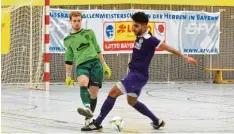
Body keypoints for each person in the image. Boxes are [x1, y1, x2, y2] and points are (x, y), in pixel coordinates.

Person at [81, 12, 198, 131]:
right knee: (132, 101)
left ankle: (97, 123)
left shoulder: (150, 39)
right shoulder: (140, 36)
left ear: (145, 26)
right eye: (133, 25)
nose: (133, 28)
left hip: (138, 76)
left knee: (113, 93)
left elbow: (168, 48)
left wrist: (185, 57)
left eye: (136, 26)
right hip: (137, 75)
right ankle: (157, 121)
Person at [64, 11, 111, 126]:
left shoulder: (89, 33)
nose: (77, 23)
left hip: (95, 63)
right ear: (70, 21)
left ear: (81, 20)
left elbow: (98, 49)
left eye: (79, 20)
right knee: (83, 82)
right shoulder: (68, 40)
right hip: (81, 65)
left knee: (93, 94)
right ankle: (87, 106)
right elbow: (69, 59)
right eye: (74, 21)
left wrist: (104, 65)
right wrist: (68, 76)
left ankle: (88, 118)